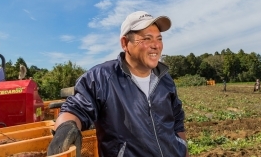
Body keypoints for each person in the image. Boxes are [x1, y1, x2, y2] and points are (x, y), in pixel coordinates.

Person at [47, 11, 189, 157]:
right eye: (147, 38)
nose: (156, 45)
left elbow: (177, 120)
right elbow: (74, 110)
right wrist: (66, 127)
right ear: (125, 43)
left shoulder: (165, 79)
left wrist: (183, 149)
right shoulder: (102, 78)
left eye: (159, 39)